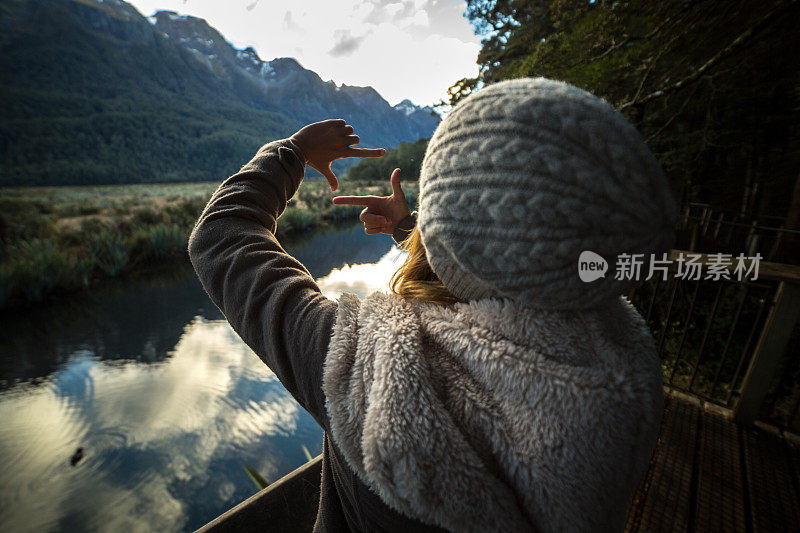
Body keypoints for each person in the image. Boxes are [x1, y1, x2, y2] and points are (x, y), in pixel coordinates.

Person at [188, 77, 678, 532]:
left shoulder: (372, 366)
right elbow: (516, 270)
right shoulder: (623, 357)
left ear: (449, 237)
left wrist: (292, 153)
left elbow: (221, 237)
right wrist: (412, 232)